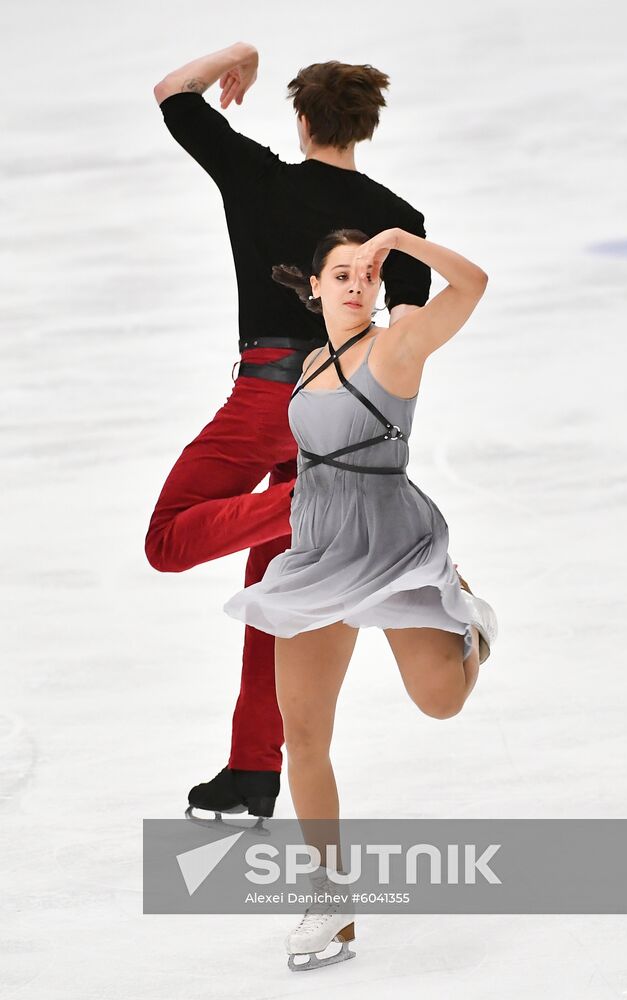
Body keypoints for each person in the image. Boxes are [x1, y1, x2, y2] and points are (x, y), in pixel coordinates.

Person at [145, 43, 433, 819]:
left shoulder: (258, 176)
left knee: (168, 538)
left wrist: (238, 56)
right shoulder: (399, 222)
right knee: (277, 594)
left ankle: (311, 502)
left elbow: (174, 91)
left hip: (270, 400)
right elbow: (406, 337)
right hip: (350, 414)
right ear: (363, 128)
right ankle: (250, 769)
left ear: (302, 120)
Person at [221, 225, 498, 970]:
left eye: (366, 275)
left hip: (389, 546)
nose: (354, 285)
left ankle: (464, 614)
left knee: (441, 702)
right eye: (339, 274)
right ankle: (329, 903)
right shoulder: (312, 361)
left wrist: (405, 241)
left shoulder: (397, 346)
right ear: (313, 287)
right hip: (317, 552)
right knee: (302, 736)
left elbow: (470, 285)